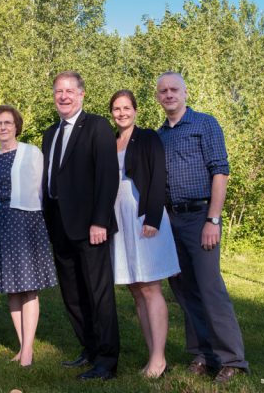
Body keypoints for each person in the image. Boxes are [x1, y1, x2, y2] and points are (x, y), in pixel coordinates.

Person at [155, 71, 249, 384]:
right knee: (184, 290)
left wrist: (214, 219)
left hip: (200, 217)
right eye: (163, 91)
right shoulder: (159, 135)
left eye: (174, 90)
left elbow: (220, 172)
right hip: (171, 221)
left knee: (210, 288)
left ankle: (232, 359)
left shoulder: (204, 124)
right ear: (158, 97)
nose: (169, 95)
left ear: (185, 92)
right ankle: (203, 353)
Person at [41, 71, 120, 380]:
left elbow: (107, 176)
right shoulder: (50, 133)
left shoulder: (97, 127)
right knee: (72, 294)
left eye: (69, 90)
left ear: (82, 94)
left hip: (90, 227)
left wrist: (100, 220)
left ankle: (107, 361)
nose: (64, 96)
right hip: (59, 225)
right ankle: (89, 348)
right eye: (59, 91)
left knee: (98, 294)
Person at [109, 89, 180, 379]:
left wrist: (153, 216)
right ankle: (154, 355)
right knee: (135, 289)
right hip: (119, 219)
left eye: (126, 107)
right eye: (116, 108)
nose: (122, 113)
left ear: (135, 111)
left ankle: (159, 359)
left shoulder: (148, 137)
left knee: (150, 287)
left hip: (144, 216)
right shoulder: (110, 142)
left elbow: (158, 176)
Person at [0, 105, 58, 367]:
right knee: (11, 289)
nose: (3, 127)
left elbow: (43, 188)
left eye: (8, 123)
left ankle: (28, 350)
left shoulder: (31, 152)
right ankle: (21, 345)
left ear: (17, 126)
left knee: (28, 287)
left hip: (26, 221)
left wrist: (44, 224)